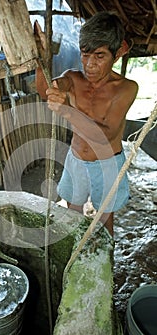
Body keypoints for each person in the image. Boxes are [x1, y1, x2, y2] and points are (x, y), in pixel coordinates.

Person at [36, 11, 138, 236]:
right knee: (73, 215)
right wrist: (41, 58)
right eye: (85, 54)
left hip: (108, 163)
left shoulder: (126, 88)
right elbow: (47, 90)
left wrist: (67, 110)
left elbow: (108, 134)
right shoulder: (73, 78)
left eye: (100, 56)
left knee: (104, 221)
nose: (90, 65)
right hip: (76, 159)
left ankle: (106, 267)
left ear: (118, 53)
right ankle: (75, 259)